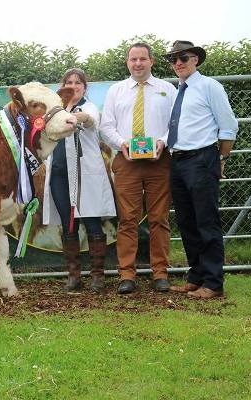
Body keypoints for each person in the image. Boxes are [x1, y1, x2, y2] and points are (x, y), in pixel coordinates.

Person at [100, 43, 177, 294]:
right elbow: (106, 126)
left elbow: (176, 123)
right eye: (133, 59)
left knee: (159, 219)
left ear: (151, 62)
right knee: (128, 220)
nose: (138, 63)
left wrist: (163, 141)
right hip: (127, 162)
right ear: (127, 62)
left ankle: (160, 273)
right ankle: (127, 275)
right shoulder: (116, 91)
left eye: (143, 59)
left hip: (159, 161)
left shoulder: (168, 89)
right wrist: (121, 144)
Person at [162, 40, 238, 299]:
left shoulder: (209, 86)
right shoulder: (177, 91)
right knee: (186, 221)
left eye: (183, 57)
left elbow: (228, 125)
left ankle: (214, 283)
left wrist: (222, 158)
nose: (178, 63)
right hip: (178, 160)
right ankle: (196, 277)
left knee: (206, 220)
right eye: (172, 59)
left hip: (202, 159)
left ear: (196, 59)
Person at [42, 68, 123, 293]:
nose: (74, 86)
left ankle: (97, 277)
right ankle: (74, 276)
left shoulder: (89, 107)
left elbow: (90, 121)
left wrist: (78, 117)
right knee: (68, 226)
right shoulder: (54, 110)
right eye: (69, 82)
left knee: (92, 222)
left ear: (85, 87)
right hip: (59, 174)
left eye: (78, 82)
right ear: (63, 87)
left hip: (85, 174)